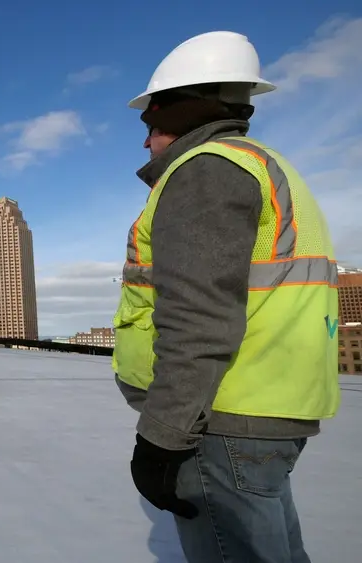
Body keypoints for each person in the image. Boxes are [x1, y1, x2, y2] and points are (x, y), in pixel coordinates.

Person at [111, 31, 341, 563]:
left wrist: (162, 438)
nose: (146, 142)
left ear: (182, 115)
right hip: (264, 412)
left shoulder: (205, 172)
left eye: (153, 124)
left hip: (220, 419)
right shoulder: (263, 164)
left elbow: (197, 317)